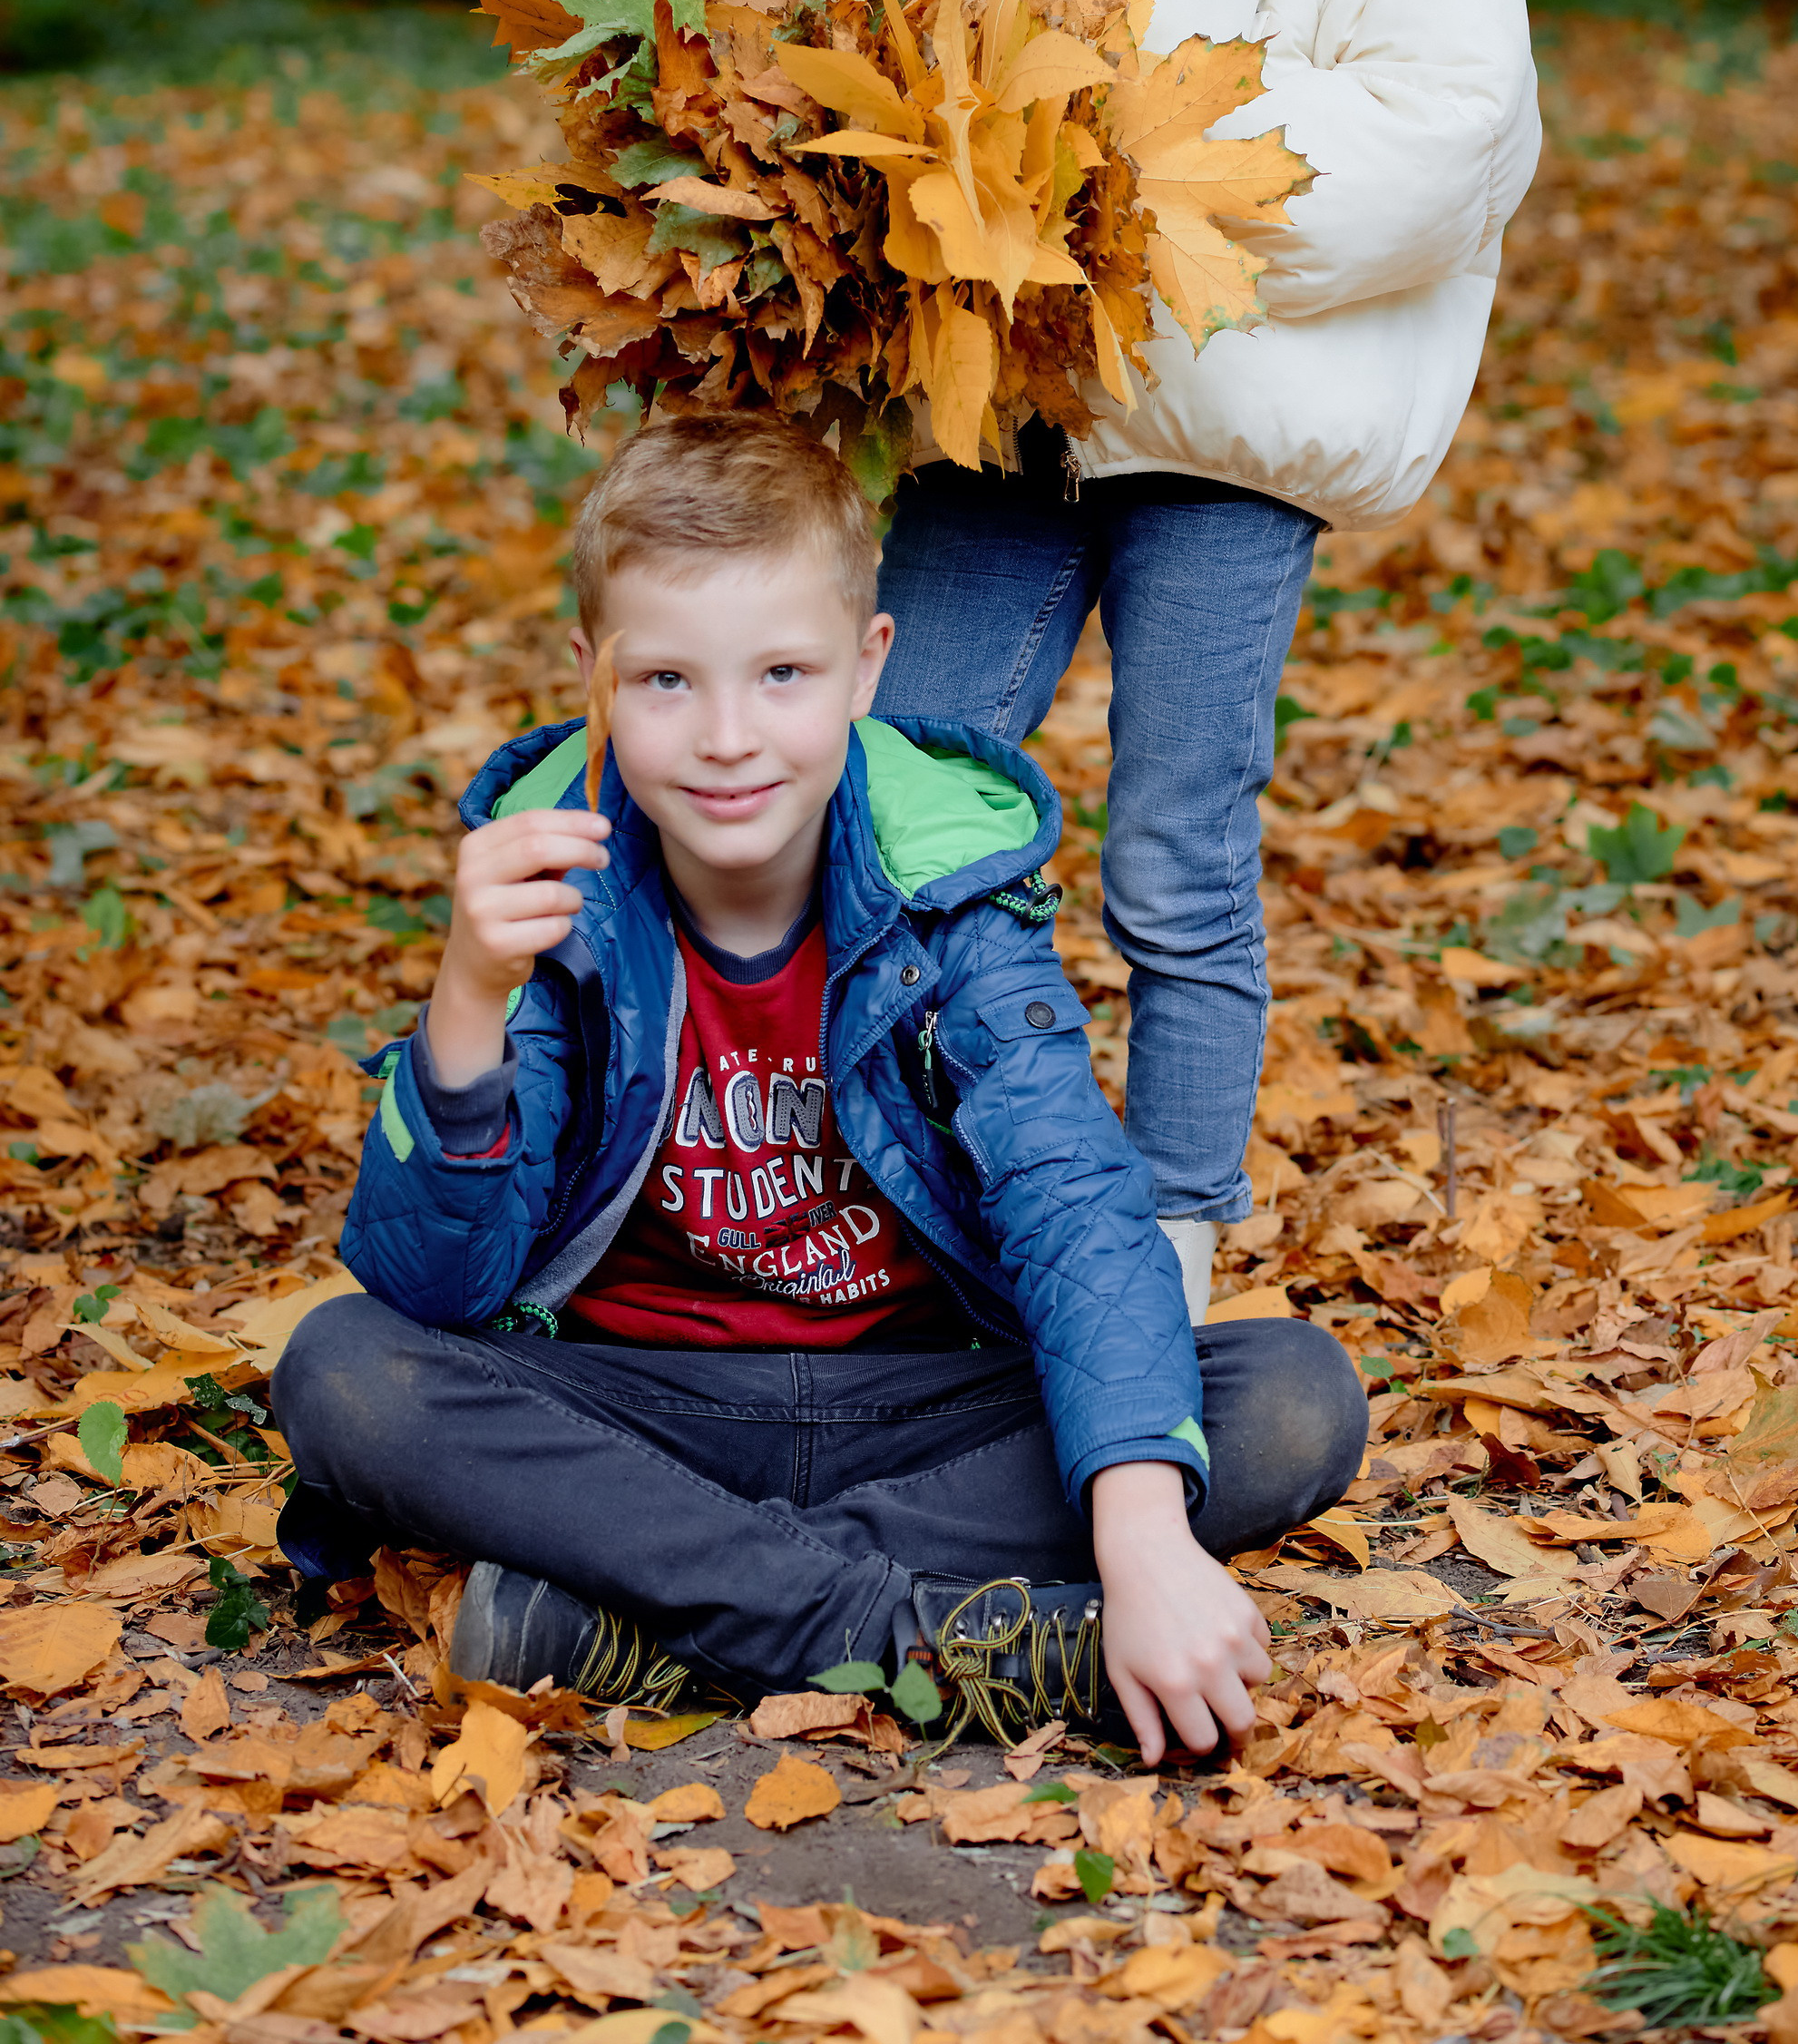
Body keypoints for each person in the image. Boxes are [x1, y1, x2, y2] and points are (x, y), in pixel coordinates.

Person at [273, 412, 1365, 1758]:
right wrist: (463, 999)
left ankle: (643, 1627)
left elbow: (1074, 1206)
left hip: (911, 1410)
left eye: (782, 672)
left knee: (1289, 1397)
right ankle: (908, 1642)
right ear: (594, 681)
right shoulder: (562, 896)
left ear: (867, 666)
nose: (729, 736)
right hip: (643, 1406)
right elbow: (438, 1287)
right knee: (344, 1371)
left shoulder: (946, 899)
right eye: (667, 680)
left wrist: (1138, 1536)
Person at [874, 0, 1539, 1322]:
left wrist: (1126, 175)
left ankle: (1163, 1232)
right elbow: (869, 68)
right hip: (997, 419)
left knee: (1176, 840)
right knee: (913, 785)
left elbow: (1452, 136)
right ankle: (923, 1179)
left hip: (1224, 434)